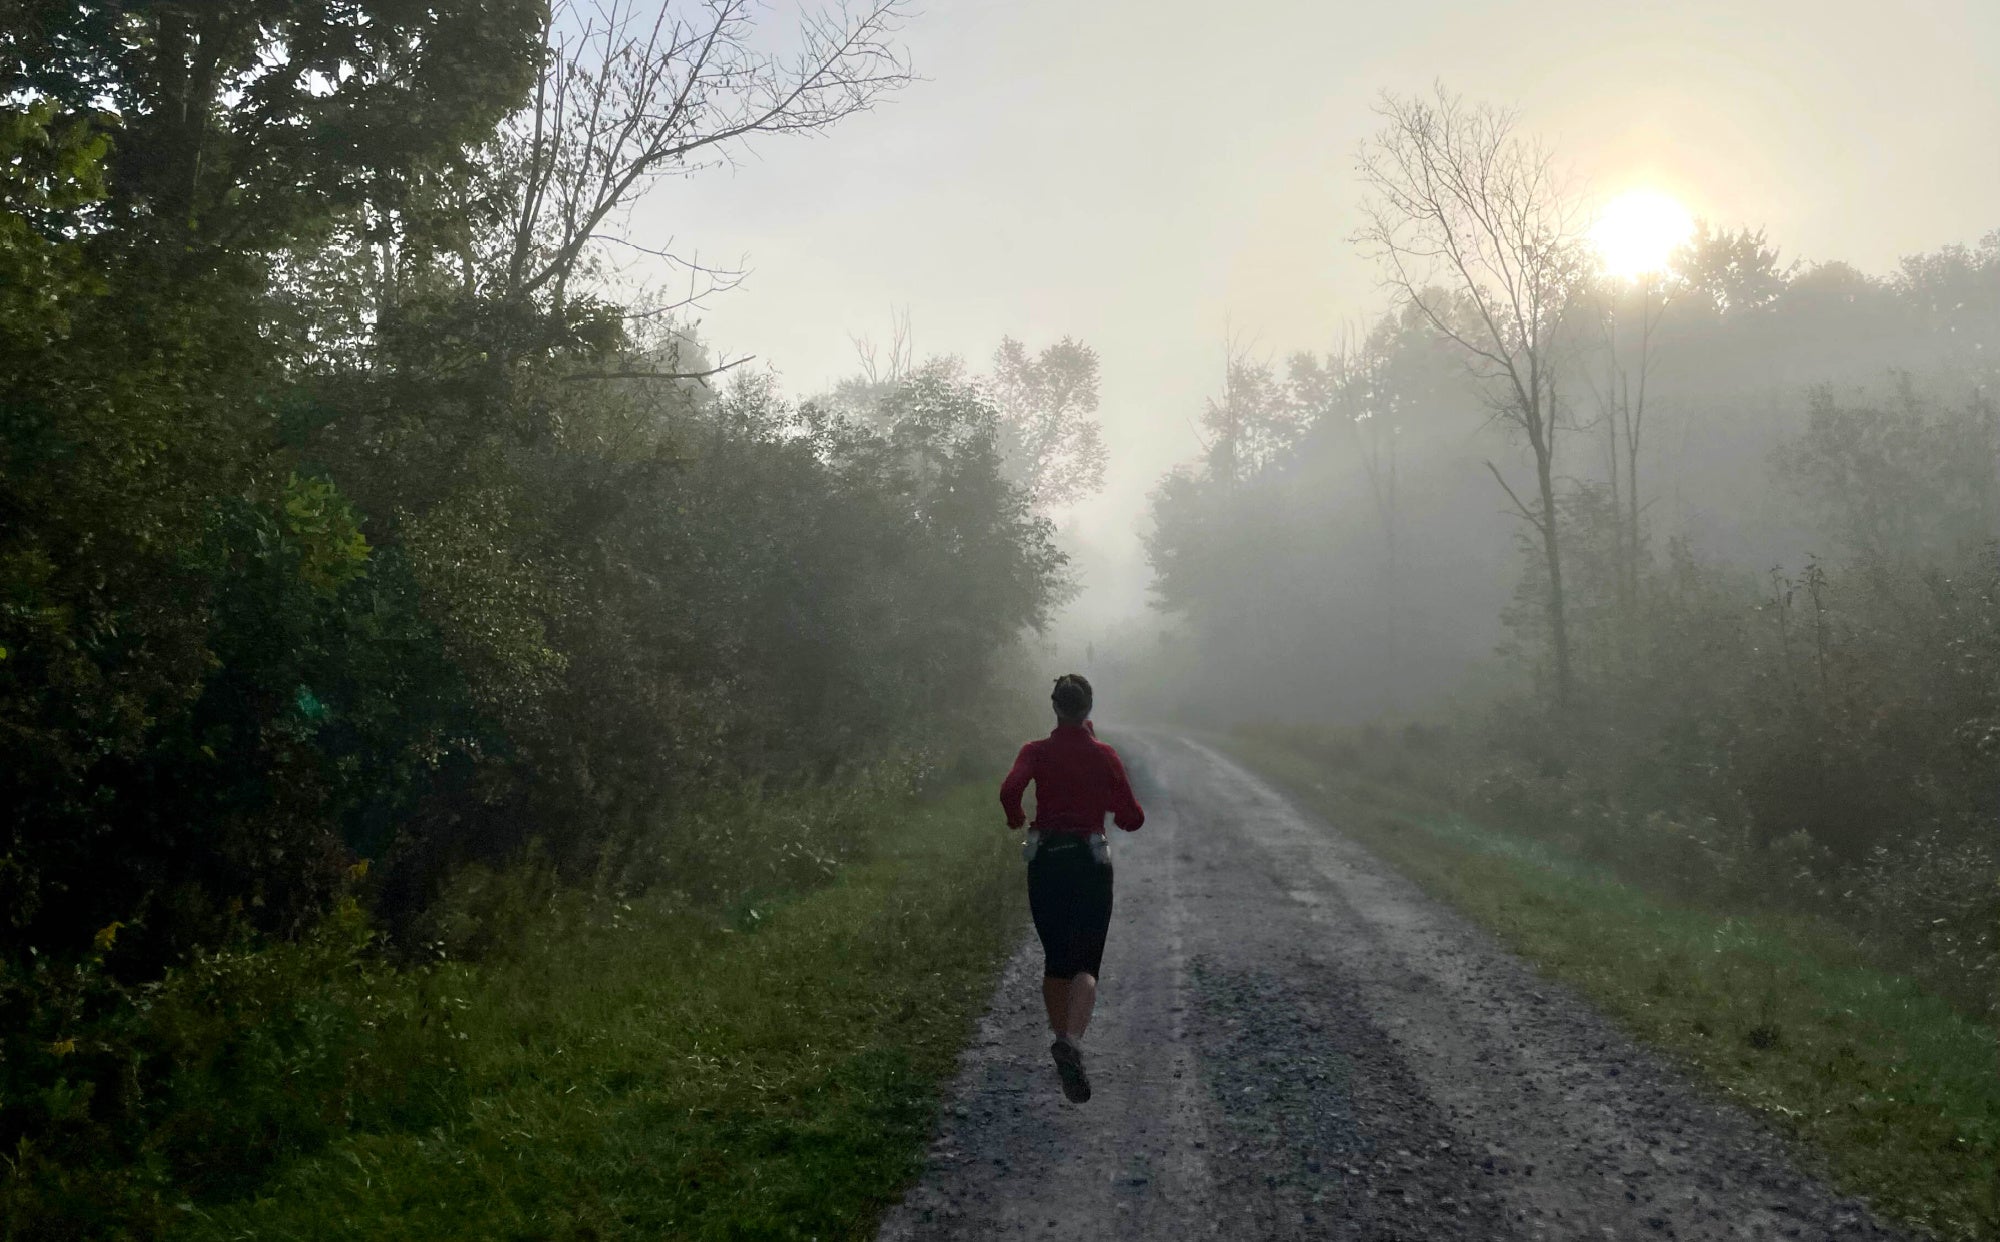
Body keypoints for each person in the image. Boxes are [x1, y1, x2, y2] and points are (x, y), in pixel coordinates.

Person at [999, 673, 1145, 1103]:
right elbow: (1132, 815)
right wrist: (1116, 814)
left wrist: (1014, 817)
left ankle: (1062, 1036)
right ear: (1089, 708)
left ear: (1054, 706)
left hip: (1045, 859)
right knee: (1086, 962)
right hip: (1089, 861)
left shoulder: (1035, 751)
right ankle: (1072, 1043)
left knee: (1056, 959)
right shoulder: (1104, 755)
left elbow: (1010, 789)